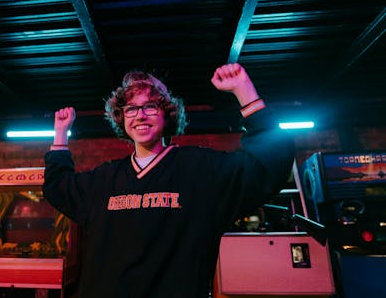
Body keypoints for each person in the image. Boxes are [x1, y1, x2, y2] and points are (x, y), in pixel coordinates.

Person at [43, 63, 295, 298]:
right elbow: (57, 187)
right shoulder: (105, 178)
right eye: (131, 108)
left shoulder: (201, 170)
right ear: (122, 119)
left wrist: (244, 90)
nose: (140, 115)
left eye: (150, 106)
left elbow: (269, 164)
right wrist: (60, 134)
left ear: (167, 114)